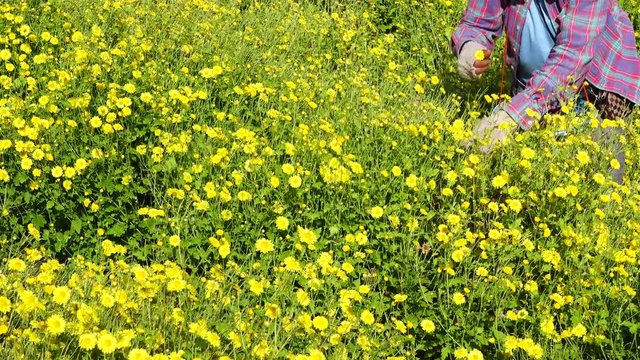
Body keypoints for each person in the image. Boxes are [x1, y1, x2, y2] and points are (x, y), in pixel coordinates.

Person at [452, 0, 639, 183]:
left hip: (589, 94)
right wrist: (470, 46)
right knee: (494, 166)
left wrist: (512, 116)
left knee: (597, 174)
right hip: (529, 90)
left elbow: (571, 60)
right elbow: (478, 21)